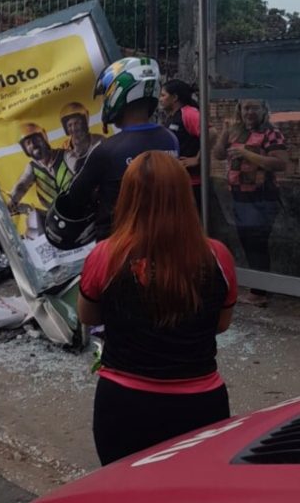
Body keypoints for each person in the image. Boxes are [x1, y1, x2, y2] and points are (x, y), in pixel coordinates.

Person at [79, 151, 237, 465]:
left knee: (127, 492)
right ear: (183, 195)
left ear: (127, 197)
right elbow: (221, 323)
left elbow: (89, 316)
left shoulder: (105, 256)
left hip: (125, 406)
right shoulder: (217, 255)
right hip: (202, 406)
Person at [47, 57, 179, 250]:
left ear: (117, 93)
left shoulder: (107, 150)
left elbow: (75, 197)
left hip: (118, 250)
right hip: (165, 242)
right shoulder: (169, 139)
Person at [213, 98, 288, 307]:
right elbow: (218, 155)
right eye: (246, 107)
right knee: (247, 241)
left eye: (255, 107)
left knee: (257, 243)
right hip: (238, 196)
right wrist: (224, 134)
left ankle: (260, 292)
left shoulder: (271, 132)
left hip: (261, 197)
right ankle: (258, 287)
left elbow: (280, 163)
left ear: (264, 110)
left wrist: (246, 153)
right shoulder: (235, 131)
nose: (249, 112)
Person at [8, 123, 72, 235]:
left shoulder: (66, 155)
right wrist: (12, 201)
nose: (33, 145)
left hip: (78, 208)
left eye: (35, 139)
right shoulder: (33, 167)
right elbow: (22, 184)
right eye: (28, 143)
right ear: (25, 149)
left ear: (44, 138)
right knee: (33, 220)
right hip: (53, 215)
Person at [160, 79, 202, 208]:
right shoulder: (171, 117)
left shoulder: (189, 113)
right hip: (176, 181)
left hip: (191, 183)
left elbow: (210, 133)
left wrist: (198, 159)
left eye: (163, 95)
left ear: (174, 98)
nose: (160, 99)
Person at [59, 101, 106, 176]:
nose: (74, 128)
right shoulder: (64, 150)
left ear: (84, 122)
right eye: (70, 125)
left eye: (77, 123)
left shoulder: (100, 141)